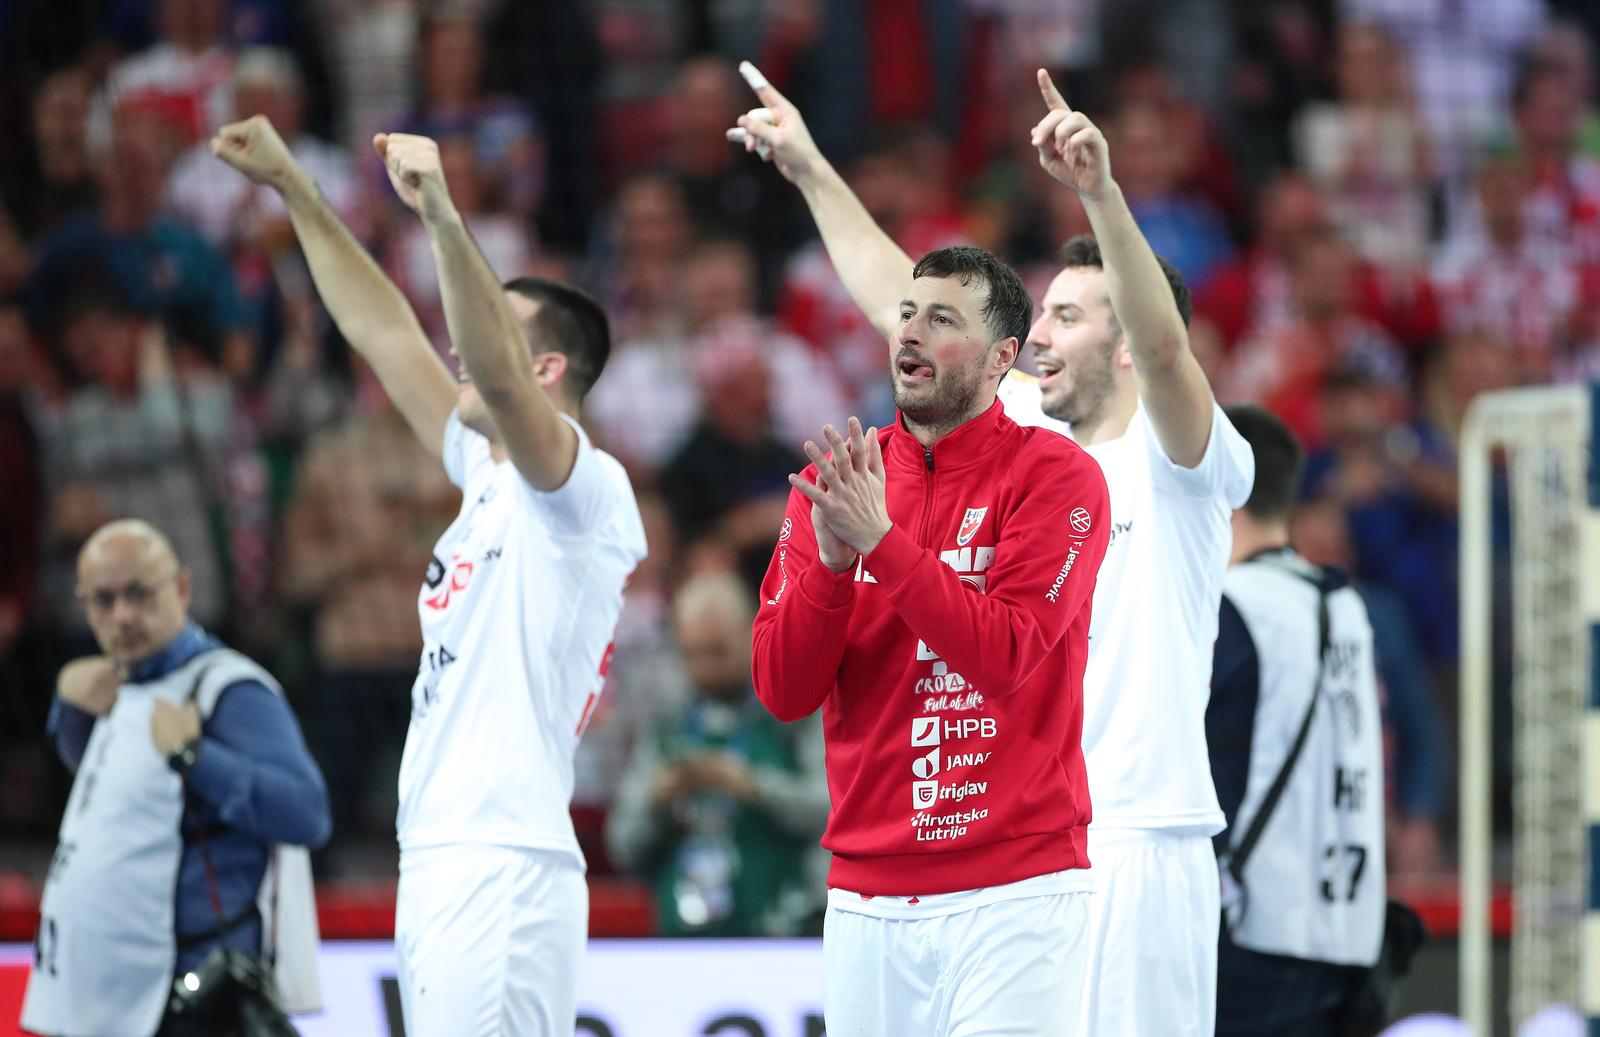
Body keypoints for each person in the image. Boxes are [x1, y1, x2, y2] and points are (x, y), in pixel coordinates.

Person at [731, 62, 1254, 1036]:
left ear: (1129, 338)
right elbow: (900, 288)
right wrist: (807, 165)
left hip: (1141, 837)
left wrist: (1099, 193)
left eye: (1067, 314)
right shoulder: (1027, 442)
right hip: (1025, 846)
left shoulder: (1179, 455)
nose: (1039, 334)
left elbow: (1171, 347)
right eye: (1037, 317)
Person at [211, 116, 646, 1035]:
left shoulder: (578, 490)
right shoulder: (487, 476)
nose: (455, 347)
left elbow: (484, 357)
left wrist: (444, 216)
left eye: (487, 326)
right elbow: (381, 328)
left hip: (500, 865)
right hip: (449, 859)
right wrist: (296, 189)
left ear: (545, 368)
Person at [749, 237, 1112, 1031]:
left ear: (999, 359)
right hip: (866, 897)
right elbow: (782, 690)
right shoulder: (842, 482)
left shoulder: (1058, 476)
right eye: (906, 313)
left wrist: (881, 544)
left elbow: (1006, 654)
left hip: (1017, 892)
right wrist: (833, 571)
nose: (908, 332)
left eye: (941, 319)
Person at [21, 518, 327, 1037]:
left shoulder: (228, 691)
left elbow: (306, 814)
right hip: (113, 1004)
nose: (123, 616)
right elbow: (113, 797)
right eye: (103, 600)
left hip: (190, 1004)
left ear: (182, 588)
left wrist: (194, 756)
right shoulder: (118, 686)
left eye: (140, 594)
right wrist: (67, 708)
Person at [1208, 405, 1386, 1036]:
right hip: (1349, 930)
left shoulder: (1234, 607)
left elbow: (1212, 770)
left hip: (1262, 932)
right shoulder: (1342, 602)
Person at [606, 571, 829, 937]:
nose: (707, 666)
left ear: (750, 632)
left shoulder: (796, 710)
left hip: (786, 935)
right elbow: (623, 844)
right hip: (684, 941)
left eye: (718, 651)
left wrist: (753, 786)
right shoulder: (668, 726)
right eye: (694, 653)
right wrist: (657, 802)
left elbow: (831, 810)